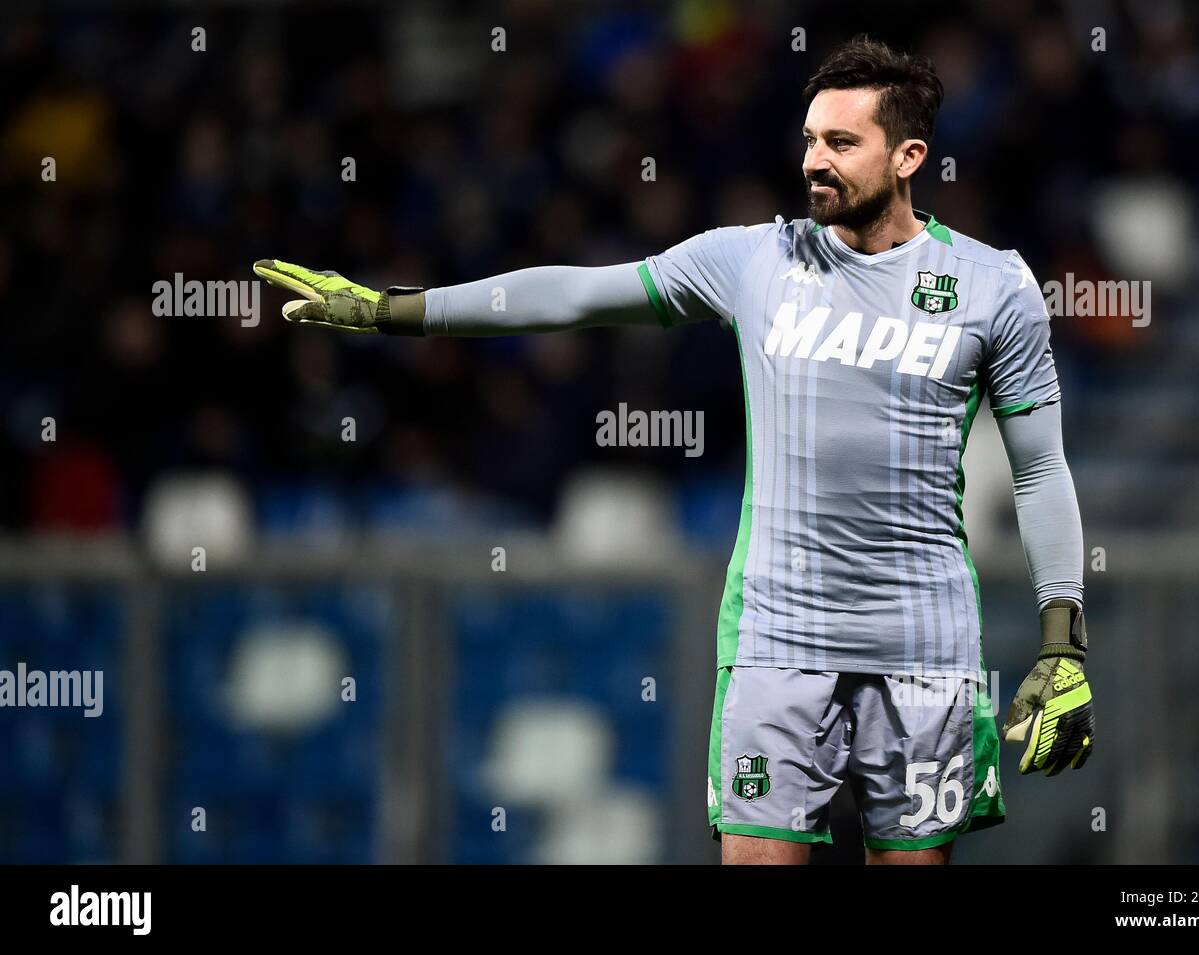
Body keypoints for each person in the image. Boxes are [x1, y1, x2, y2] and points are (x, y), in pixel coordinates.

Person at [254, 33, 1094, 866]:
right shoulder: (753, 260)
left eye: (841, 142)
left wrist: (1062, 640)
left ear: (908, 155)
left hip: (924, 645)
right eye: (809, 138)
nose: (814, 160)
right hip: (778, 636)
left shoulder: (993, 285)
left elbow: (1041, 467)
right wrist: (397, 310)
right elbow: (577, 294)